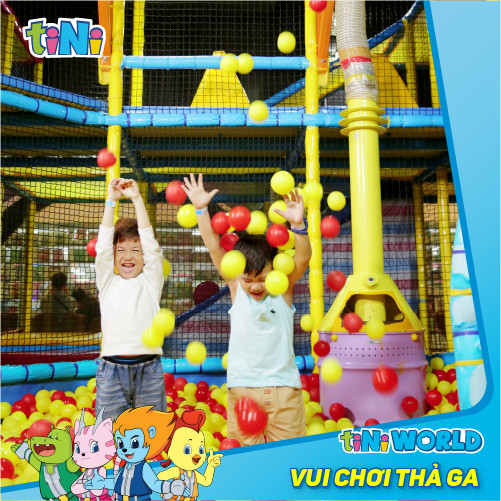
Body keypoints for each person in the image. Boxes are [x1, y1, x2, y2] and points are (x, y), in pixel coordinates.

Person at [183, 173, 311, 446]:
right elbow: (213, 247)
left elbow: (302, 258)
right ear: (237, 274)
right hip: (243, 390)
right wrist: (201, 210)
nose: (255, 286)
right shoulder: (236, 287)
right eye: (248, 279)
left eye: (262, 279)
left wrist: (298, 225)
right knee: (245, 456)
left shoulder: (282, 288)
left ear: (274, 271)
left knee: (289, 457)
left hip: (284, 389)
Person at [94, 178, 166, 421]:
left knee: (152, 433)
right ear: (113, 256)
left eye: (135, 250)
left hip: (149, 367)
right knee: (108, 431)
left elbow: (152, 247)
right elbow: (103, 249)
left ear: (143, 257)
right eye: (121, 250)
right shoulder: (107, 283)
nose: (128, 256)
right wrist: (111, 202)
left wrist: (137, 199)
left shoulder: (151, 282)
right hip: (112, 369)